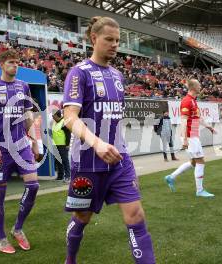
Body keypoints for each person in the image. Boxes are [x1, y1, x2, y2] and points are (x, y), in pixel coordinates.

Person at [62, 16, 156, 264]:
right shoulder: (78, 73)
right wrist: (97, 143)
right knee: (82, 217)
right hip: (87, 161)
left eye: (117, 40)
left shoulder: (117, 75)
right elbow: (69, 117)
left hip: (119, 159)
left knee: (135, 215)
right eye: (109, 39)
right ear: (94, 38)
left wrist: (113, 142)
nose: (115, 45)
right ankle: (70, 259)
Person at [0, 50, 40, 254]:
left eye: (18, 62)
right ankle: (1, 238)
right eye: (12, 62)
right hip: (0, 149)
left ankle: (18, 228)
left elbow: (28, 114)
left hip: (21, 145)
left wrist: (34, 141)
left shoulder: (24, 86)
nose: (16, 65)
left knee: (33, 186)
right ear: (1, 64)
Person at [164, 79, 216, 198]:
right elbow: (183, 121)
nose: (201, 86)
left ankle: (171, 177)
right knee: (200, 161)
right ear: (193, 87)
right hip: (190, 136)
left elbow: (198, 118)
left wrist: (208, 127)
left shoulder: (193, 101)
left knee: (193, 162)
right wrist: (186, 139)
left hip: (193, 135)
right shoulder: (187, 101)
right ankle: (199, 190)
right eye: (199, 85)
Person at [51, 110, 70, 182]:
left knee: (65, 161)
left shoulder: (64, 122)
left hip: (63, 145)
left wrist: (67, 144)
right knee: (58, 161)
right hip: (56, 145)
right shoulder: (54, 123)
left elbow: (68, 134)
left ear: (56, 115)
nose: (53, 117)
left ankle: (67, 176)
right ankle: (60, 176)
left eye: (53, 116)